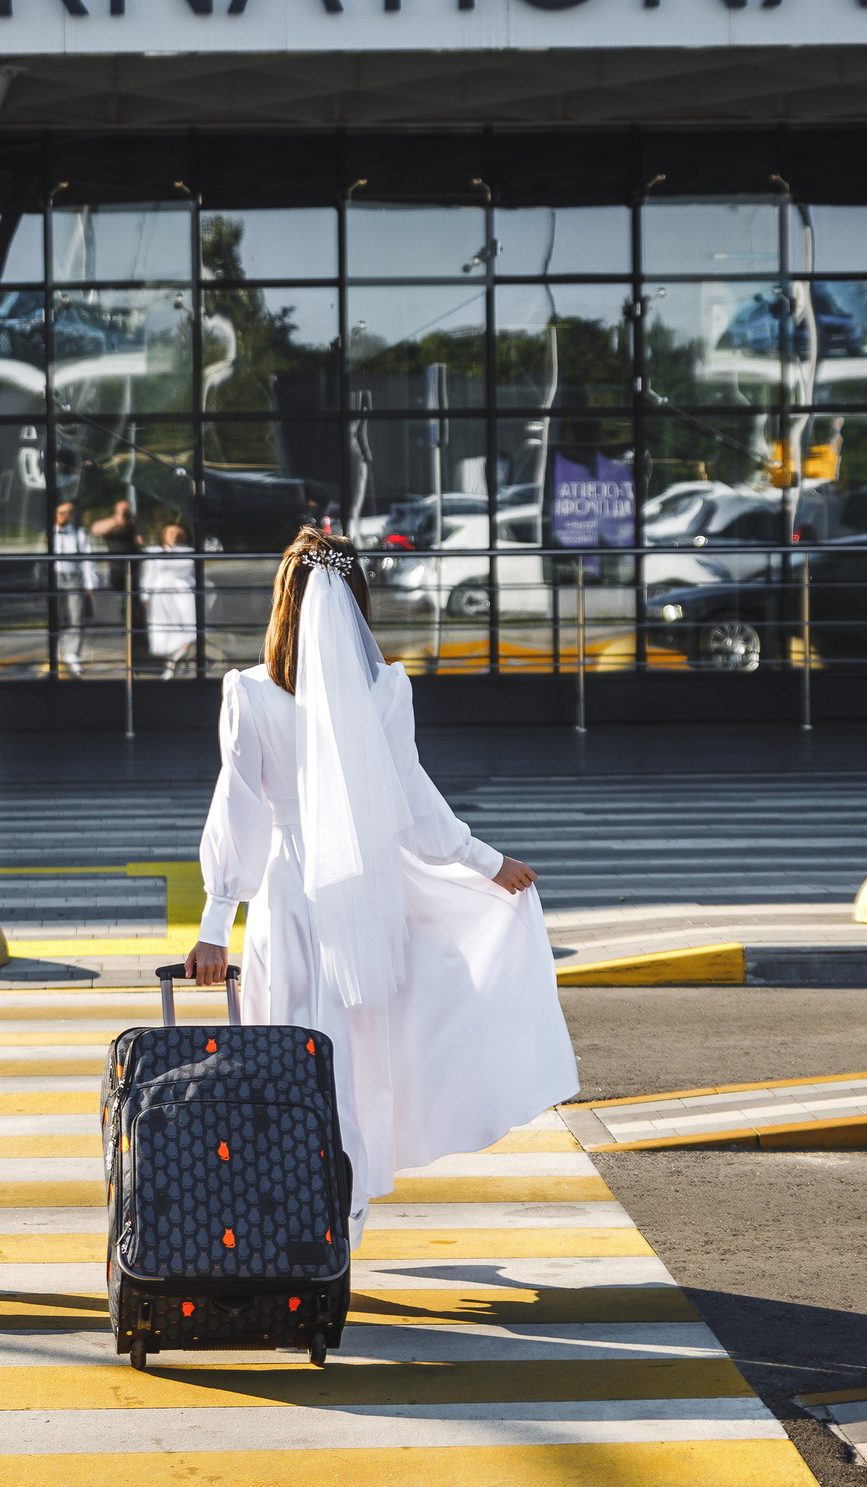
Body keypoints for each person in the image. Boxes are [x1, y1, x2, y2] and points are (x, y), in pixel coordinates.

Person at [182, 528, 577, 1244]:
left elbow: (236, 809)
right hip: (368, 899)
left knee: (285, 1042)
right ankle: (347, 1199)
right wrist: (488, 862)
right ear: (358, 604)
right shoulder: (388, 689)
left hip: (289, 897)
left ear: (283, 601)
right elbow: (415, 804)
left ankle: (291, 1193)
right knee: (357, 1053)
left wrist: (215, 922)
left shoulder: (247, 693)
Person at [140, 521, 199, 678]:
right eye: (171, 533)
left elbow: (193, 573)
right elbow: (149, 574)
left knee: (188, 625)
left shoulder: (190, 551)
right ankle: (170, 666)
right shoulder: (155, 551)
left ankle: (178, 656)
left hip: (184, 591)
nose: (175, 537)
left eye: (178, 533)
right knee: (166, 630)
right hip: (161, 592)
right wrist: (145, 595)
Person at [50, 501, 100, 678]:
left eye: (67, 513)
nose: (64, 516)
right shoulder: (50, 534)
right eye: (60, 512)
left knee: (75, 616)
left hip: (72, 577)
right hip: (54, 577)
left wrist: (90, 583)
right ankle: (54, 650)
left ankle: (73, 653)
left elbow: (87, 559)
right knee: (54, 615)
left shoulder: (78, 534)